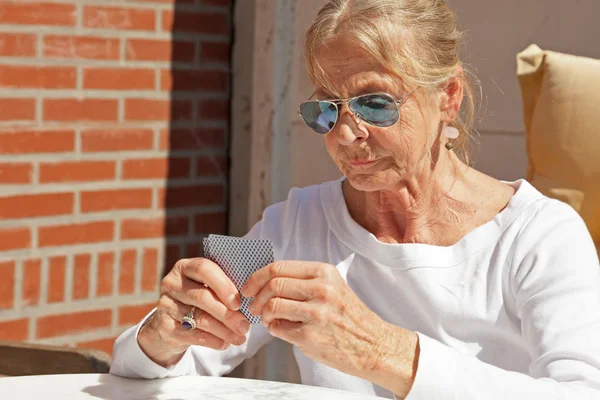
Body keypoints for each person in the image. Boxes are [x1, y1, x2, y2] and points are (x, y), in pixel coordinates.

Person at [110, 0, 600, 398]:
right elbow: (150, 367)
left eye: (375, 103)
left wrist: (381, 351)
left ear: (448, 96)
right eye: (325, 109)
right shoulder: (294, 223)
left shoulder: (537, 235)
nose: (345, 134)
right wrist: (164, 332)